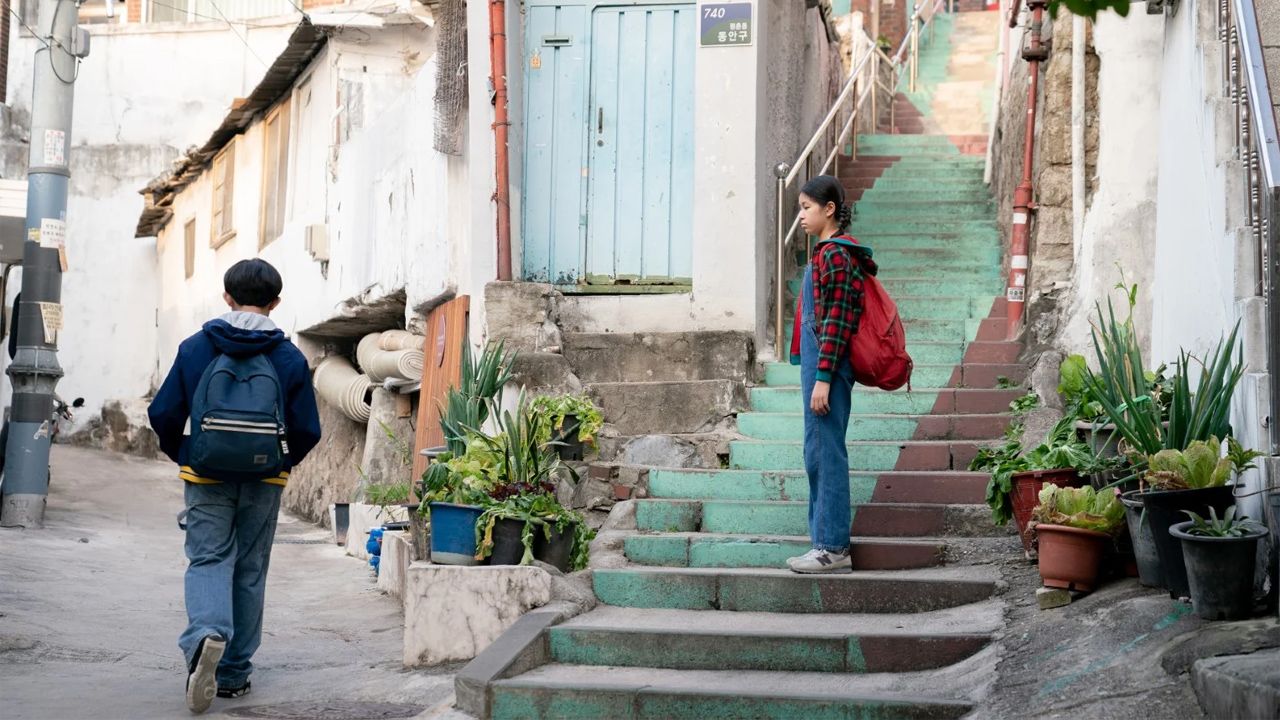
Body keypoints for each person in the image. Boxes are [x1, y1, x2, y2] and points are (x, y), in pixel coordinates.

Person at [148, 259, 321, 713]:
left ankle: (207, 632)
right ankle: (234, 674)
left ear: (226, 297)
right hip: (265, 478)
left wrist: (183, 452)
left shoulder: (195, 348)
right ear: (276, 303)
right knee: (249, 568)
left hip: (205, 475)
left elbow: (163, 414)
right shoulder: (287, 357)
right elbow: (308, 429)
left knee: (208, 559)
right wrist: (281, 463)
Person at [785, 175, 877, 574]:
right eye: (800, 208)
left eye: (806, 207)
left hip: (829, 367)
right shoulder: (825, 253)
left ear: (829, 209)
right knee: (817, 452)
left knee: (825, 453)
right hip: (822, 365)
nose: (801, 216)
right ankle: (823, 542)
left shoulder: (836, 256)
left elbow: (838, 320)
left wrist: (823, 376)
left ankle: (832, 547)